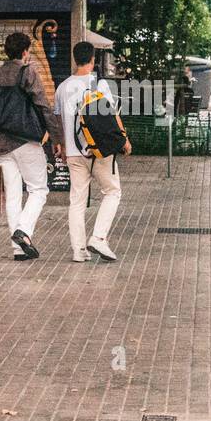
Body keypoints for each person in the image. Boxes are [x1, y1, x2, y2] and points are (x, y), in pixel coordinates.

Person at [0, 32, 63, 261]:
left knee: (13, 196)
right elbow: (43, 107)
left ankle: (18, 249)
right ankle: (24, 231)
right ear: (26, 51)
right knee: (38, 189)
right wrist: (56, 138)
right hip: (26, 141)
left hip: (1, 145)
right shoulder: (27, 72)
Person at [55, 41, 130, 263]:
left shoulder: (62, 87)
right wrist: (124, 139)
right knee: (112, 192)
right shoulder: (99, 84)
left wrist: (59, 145)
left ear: (74, 59)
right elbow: (112, 116)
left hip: (73, 153)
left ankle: (79, 251)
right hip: (98, 152)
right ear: (93, 60)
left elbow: (58, 121)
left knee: (77, 201)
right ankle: (98, 237)